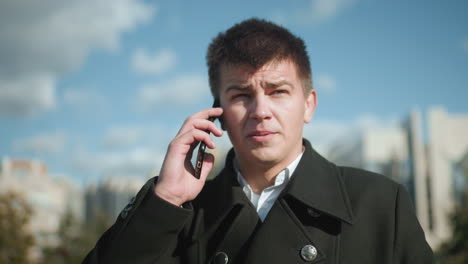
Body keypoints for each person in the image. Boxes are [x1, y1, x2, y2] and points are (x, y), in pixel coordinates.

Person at [83, 18, 433, 264]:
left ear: (308, 104)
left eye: (278, 91)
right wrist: (167, 196)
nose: (260, 111)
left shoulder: (380, 202)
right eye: (240, 95)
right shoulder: (182, 215)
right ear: (217, 111)